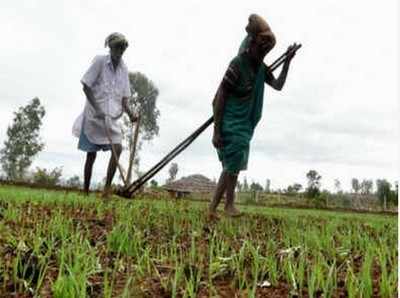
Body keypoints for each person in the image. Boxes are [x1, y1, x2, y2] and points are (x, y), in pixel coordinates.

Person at [209, 14, 298, 216]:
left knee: (234, 164)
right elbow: (221, 96)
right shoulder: (237, 64)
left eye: (265, 51)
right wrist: (216, 130)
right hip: (229, 121)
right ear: (252, 45)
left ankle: (227, 205)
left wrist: (287, 61)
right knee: (233, 162)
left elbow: (277, 85)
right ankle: (215, 207)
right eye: (261, 49)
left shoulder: (260, 68)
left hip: (244, 124)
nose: (262, 54)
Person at [72, 32, 137, 197]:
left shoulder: (123, 69)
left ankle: (106, 190)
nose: (120, 50)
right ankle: (85, 191)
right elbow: (86, 86)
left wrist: (131, 115)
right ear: (110, 47)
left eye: (123, 47)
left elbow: (124, 99)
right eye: (117, 46)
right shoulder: (100, 61)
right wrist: (97, 108)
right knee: (91, 155)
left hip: (111, 118)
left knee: (118, 147)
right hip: (94, 116)